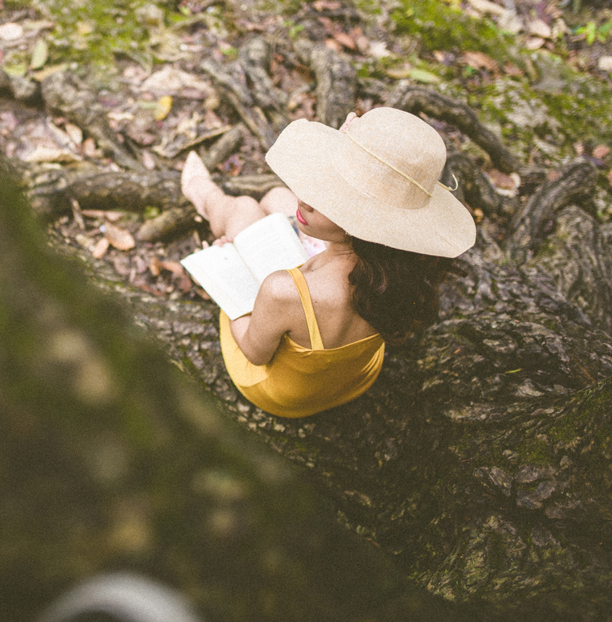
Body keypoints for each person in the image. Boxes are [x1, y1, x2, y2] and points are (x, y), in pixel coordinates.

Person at [180, 107, 476, 417]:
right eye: (324, 184)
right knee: (278, 198)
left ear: (365, 221)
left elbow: (255, 354)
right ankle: (219, 203)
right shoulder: (403, 268)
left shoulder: (282, 291)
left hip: (280, 389)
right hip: (356, 379)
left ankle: (205, 195)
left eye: (330, 198)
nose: (305, 198)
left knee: (243, 210)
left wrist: (225, 280)